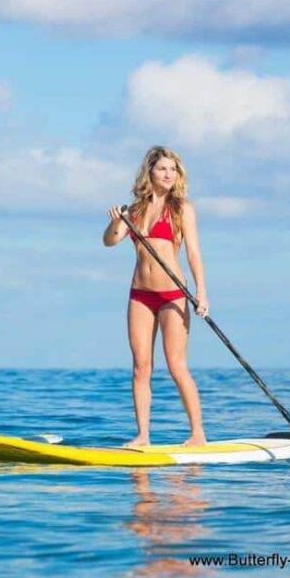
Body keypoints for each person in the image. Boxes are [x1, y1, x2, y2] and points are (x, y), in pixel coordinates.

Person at [103, 146, 209, 447]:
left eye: (173, 170)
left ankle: (198, 433)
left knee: (176, 364)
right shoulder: (133, 210)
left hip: (173, 294)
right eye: (163, 169)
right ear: (150, 171)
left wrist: (201, 292)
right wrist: (115, 222)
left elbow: (194, 254)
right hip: (140, 295)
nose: (168, 174)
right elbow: (109, 242)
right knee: (140, 366)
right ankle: (143, 436)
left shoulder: (182, 209)